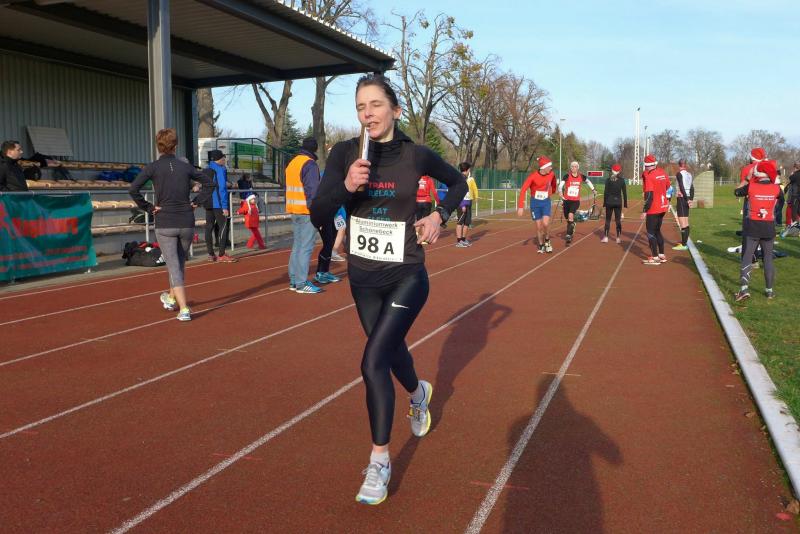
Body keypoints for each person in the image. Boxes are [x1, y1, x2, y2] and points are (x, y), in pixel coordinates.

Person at [310, 74, 467, 505]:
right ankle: (419, 393)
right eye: (361, 107)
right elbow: (317, 213)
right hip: (363, 280)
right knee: (391, 350)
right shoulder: (345, 153)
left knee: (373, 361)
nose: (368, 114)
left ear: (395, 110)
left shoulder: (416, 155)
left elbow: (457, 183)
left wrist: (438, 215)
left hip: (406, 275)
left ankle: (379, 461)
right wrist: (345, 186)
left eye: (376, 105)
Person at [129, 128, 213, 321]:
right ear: (176, 145)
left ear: (158, 146)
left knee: (174, 265)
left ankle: (184, 309)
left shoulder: (152, 167)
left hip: (165, 222)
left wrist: (149, 208)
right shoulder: (186, 167)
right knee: (179, 263)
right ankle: (170, 297)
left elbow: (133, 189)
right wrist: (196, 202)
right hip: (186, 222)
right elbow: (210, 184)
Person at [734, 160, 783, 301]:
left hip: (752, 227)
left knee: (747, 257)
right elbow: (780, 203)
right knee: (768, 259)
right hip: (768, 227)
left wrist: (747, 178)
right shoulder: (776, 189)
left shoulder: (751, 186)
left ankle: (744, 289)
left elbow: (736, 192)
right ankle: (769, 291)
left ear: (757, 173)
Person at [286, 137, 325, 294]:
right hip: (306, 211)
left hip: (294, 209)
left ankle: (294, 280)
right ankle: (301, 283)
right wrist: (317, 211)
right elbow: (313, 191)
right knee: (306, 248)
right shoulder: (309, 164)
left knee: (297, 246)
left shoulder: (292, 163)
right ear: (315, 149)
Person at [517, 156, 557, 253]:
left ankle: (547, 240)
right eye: (549, 166)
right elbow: (523, 190)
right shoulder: (533, 177)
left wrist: (554, 190)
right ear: (544, 167)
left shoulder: (551, 174)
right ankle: (541, 245)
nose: (551, 168)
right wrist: (521, 207)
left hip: (546, 202)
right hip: (535, 203)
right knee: (539, 227)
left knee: (546, 223)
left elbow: (554, 182)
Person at [205, 149, 236, 262]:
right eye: (223, 158)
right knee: (223, 226)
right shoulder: (220, 169)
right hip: (218, 203)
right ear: (219, 159)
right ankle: (222, 254)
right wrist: (225, 206)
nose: (224, 159)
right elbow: (222, 188)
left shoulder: (206, 169)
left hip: (208, 202)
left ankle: (210, 254)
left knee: (209, 227)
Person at [641, 154, 671, 265]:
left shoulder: (650, 176)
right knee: (657, 230)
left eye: (645, 166)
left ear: (647, 165)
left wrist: (645, 210)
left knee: (650, 232)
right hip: (663, 207)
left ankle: (654, 257)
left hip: (653, 208)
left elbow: (649, 196)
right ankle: (661, 255)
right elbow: (668, 186)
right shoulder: (662, 172)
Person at [559, 161, 596, 245]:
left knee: (570, 215)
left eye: (575, 166)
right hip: (566, 201)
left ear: (578, 168)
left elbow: (588, 181)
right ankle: (572, 225)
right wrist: (560, 191)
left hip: (575, 201)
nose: (574, 168)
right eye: (572, 166)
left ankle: (568, 235)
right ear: (570, 168)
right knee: (568, 218)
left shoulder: (581, 176)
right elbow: (561, 185)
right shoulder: (567, 176)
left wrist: (593, 189)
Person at [602, 164, 628, 244]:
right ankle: (618, 238)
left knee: (608, 220)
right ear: (619, 171)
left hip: (609, 202)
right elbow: (624, 193)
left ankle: (606, 237)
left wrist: (604, 204)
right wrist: (625, 204)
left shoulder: (608, 180)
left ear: (612, 170)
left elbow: (605, 192)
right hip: (618, 202)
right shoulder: (622, 180)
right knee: (618, 220)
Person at [455, 162, 479, 247]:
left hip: (468, 201)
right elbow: (458, 192)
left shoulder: (470, 178)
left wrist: (476, 197)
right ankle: (459, 241)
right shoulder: (459, 178)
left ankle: (463, 239)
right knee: (460, 222)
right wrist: (462, 204)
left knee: (467, 222)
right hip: (462, 203)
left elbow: (474, 189)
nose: (469, 171)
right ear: (467, 169)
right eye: (469, 169)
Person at [672, 159, 693, 251]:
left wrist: (687, 200)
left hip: (682, 199)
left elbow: (681, 186)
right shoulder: (689, 174)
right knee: (686, 221)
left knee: (682, 223)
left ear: (679, 165)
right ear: (685, 165)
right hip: (687, 197)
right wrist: (690, 199)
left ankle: (684, 244)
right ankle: (684, 242)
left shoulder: (679, 174)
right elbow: (692, 188)